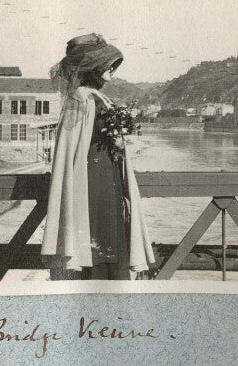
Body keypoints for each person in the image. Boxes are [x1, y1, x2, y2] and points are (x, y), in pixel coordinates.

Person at [41, 33, 154, 280]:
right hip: (92, 181)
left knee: (110, 233)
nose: (112, 69)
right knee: (98, 235)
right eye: (108, 65)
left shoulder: (98, 97)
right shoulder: (79, 99)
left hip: (108, 178)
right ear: (93, 67)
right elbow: (70, 145)